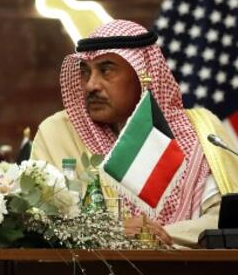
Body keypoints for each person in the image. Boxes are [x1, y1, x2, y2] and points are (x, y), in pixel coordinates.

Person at [32, 19, 238, 247]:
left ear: (143, 75)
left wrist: (154, 237)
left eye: (106, 70)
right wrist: (112, 232)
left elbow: (224, 220)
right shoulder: (58, 132)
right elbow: (39, 222)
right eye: (85, 73)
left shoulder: (201, 130)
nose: (91, 85)